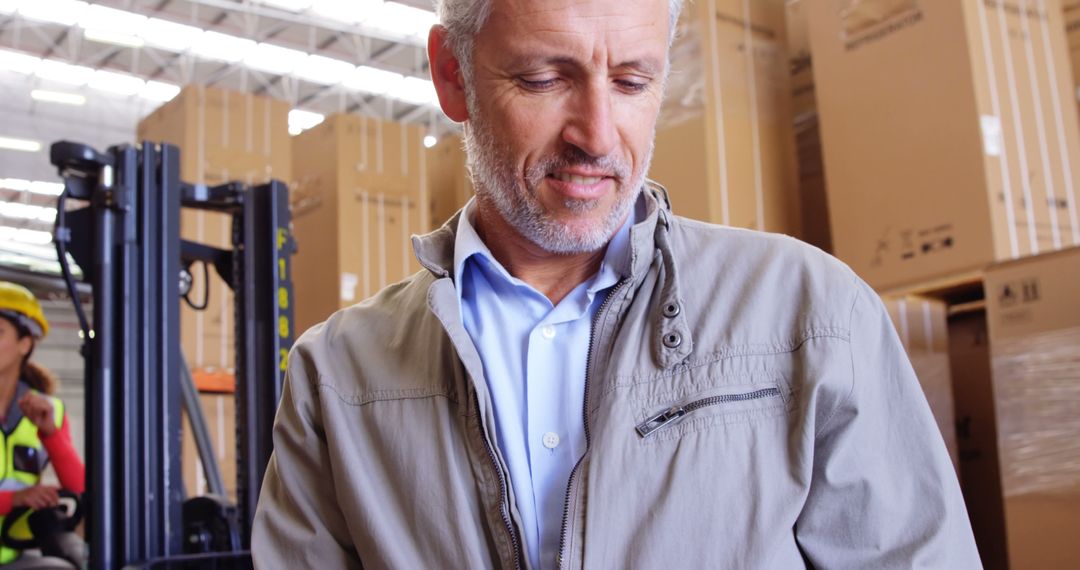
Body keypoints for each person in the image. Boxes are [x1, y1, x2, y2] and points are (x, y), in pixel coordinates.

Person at [253, 0, 981, 567]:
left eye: (633, 81)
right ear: (454, 75)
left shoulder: (812, 314)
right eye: (544, 78)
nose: (598, 135)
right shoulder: (337, 378)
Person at [0, 282, 85, 567]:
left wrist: (51, 436)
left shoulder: (48, 411)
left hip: (12, 552)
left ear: (25, 343)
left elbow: (79, 488)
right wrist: (15, 499)